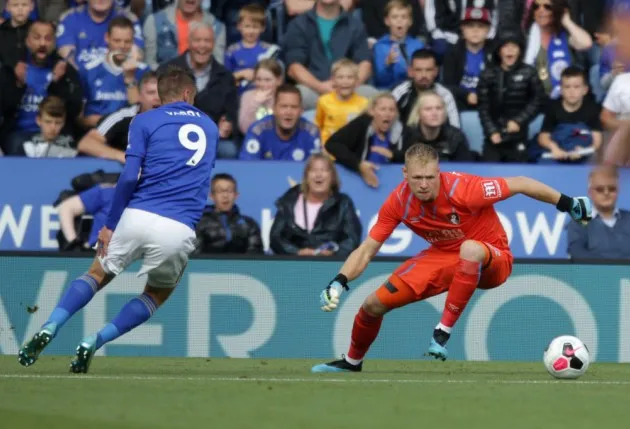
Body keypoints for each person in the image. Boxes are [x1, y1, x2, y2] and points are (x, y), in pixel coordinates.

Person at [311, 143, 592, 373]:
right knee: (373, 304)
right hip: (444, 256)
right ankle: (351, 362)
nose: (423, 185)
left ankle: (442, 332)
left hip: (492, 257)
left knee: (470, 248)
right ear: (404, 174)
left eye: (430, 177)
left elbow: (519, 183)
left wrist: (568, 204)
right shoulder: (397, 202)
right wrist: (340, 280)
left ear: (439, 173)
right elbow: (367, 249)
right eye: (417, 178)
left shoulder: (464, 189)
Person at [18, 65, 219, 374]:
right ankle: (94, 341)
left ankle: (50, 326)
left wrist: (110, 225)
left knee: (97, 274)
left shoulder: (144, 120)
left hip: (137, 215)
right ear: (188, 93)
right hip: (177, 225)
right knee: (157, 293)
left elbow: (128, 177)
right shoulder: (210, 126)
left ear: (159, 96)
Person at [270, 153, 362, 257]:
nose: (318, 175)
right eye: (313, 170)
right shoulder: (289, 201)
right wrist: (297, 253)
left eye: (324, 170)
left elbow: (352, 239)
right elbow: (275, 238)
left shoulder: (343, 203)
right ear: (306, 176)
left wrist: (333, 255)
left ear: (332, 177)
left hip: (332, 266)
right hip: (294, 265)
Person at [478, 31, 545, 162]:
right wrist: (492, 131)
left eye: (514, 46)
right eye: (505, 46)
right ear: (498, 51)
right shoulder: (487, 74)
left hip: (518, 137)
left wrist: (519, 120)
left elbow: (538, 100)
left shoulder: (529, 73)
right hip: (494, 137)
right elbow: (483, 107)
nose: (510, 50)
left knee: (519, 178)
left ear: (520, 50)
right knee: (488, 177)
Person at [79, 16, 149, 129]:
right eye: (117, 41)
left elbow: (142, 114)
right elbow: (79, 118)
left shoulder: (144, 71)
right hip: (95, 134)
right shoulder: (88, 70)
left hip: (129, 135)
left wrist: (130, 78)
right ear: (107, 38)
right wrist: (109, 121)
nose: (122, 46)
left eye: (127, 41)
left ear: (133, 42)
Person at [326, 92, 408, 188]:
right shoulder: (361, 125)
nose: (388, 114)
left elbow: (416, 156)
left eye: (392, 110)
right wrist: (359, 165)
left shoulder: (402, 131)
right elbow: (332, 144)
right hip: (358, 184)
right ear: (372, 111)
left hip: (392, 186)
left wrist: (393, 155)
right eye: (383, 109)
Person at [77, 71, 161, 163]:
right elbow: (87, 143)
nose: (157, 98)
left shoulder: (177, 118)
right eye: (151, 93)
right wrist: (125, 158)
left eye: (161, 93)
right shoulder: (122, 117)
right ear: (140, 96)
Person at [523, 0, 592, 100]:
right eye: (536, 7)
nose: (541, 10)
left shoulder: (565, 35)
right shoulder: (526, 38)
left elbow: (586, 43)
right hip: (536, 100)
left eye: (547, 7)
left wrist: (566, 21)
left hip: (565, 100)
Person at [536, 66, 602, 163]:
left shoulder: (592, 109)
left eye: (576, 87)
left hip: (583, 156)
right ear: (561, 90)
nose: (572, 91)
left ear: (585, 90)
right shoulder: (553, 108)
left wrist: (584, 151)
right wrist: (554, 148)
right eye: (567, 87)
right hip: (557, 155)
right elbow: (543, 137)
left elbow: (597, 142)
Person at [239, 84, 321, 161]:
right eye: (283, 106)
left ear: (301, 111)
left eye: (294, 107)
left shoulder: (311, 132)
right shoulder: (258, 131)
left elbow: (316, 169)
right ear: (274, 109)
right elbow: (248, 167)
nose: (288, 112)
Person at [568, 165, 630, 259]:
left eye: (611, 189)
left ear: (618, 191)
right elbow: (577, 254)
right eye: (600, 189)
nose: (606, 193)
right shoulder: (578, 223)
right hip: (594, 273)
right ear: (590, 192)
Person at [143, 0, 226, 70]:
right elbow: (149, 63)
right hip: (163, 83)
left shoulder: (217, 27)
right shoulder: (154, 22)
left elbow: (218, 68)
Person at [195, 173, 264, 254]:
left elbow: (255, 255)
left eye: (229, 191)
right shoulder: (200, 223)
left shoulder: (249, 224)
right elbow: (194, 255)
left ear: (236, 195)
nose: (225, 196)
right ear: (211, 196)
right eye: (220, 191)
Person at [441, 7, 493, 111]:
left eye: (481, 26)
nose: (475, 30)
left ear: (488, 30)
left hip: (488, 104)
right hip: (459, 104)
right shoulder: (452, 53)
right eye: (470, 26)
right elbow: (447, 85)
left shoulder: (494, 52)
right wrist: (466, 95)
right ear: (462, 28)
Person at [392, 49, 460, 127]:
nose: (424, 75)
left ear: (436, 71)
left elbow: (455, 126)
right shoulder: (399, 92)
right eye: (418, 70)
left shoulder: (445, 95)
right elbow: (391, 126)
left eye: (428, 70)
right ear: (410, 72)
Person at [224, 3, 280, 94]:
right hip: (238, 96)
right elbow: (225, 79)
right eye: (247, 26)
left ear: (263, 28)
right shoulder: (232, 51)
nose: (251, 31)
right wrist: (241, 74)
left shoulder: (269, 50)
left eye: (255, 27)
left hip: (264, 94)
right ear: (239, 26)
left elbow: (276, 76)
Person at [372, 0, 425, 90]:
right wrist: (388, 65)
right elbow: (380, 81)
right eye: (395, 17)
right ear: (387, 21)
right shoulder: (380, 46)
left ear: (410, 21)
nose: (399, 21)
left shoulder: (418, 45)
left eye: (404, 17)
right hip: (389, 91)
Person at [407, 91, 474, 161]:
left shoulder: (456, 136)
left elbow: (464, 168)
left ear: (444, 112)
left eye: (439, 108)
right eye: (428, 109)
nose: (434, 113)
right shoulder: (408, 136)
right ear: (418, 113)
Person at [315, 59, 369, 144]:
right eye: (340, 77)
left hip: (351, 149)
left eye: (350, 77)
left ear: (357, 80)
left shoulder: (364, 103)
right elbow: (318, 126)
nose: (345, 81)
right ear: (333, 80)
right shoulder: (324, 101)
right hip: (328, 149)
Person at [238, 59, 284, 135]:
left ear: (278, 81)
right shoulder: (247, 96)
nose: (262, 84)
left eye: (267, 80)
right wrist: (255, 103)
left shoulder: (284, 98)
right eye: (258, 79)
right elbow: (245, 129)